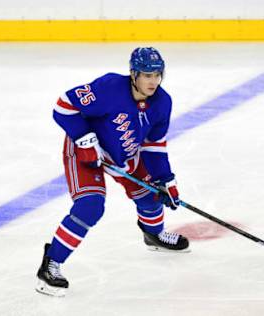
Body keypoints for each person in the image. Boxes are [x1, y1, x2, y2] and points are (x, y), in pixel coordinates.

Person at [35, 47, 190, 297]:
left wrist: (165, 179)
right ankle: (51, 264)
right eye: (147, 75)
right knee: (90, 207)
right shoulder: (109, 88)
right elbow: (63, 106)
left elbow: (153, 145)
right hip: (86, 151)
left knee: (151, 195)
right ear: (133, 74)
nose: (153, 81)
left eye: (157, 75)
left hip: (125, 153)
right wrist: (84, 139)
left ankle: (154, 235)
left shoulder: (163, 102)